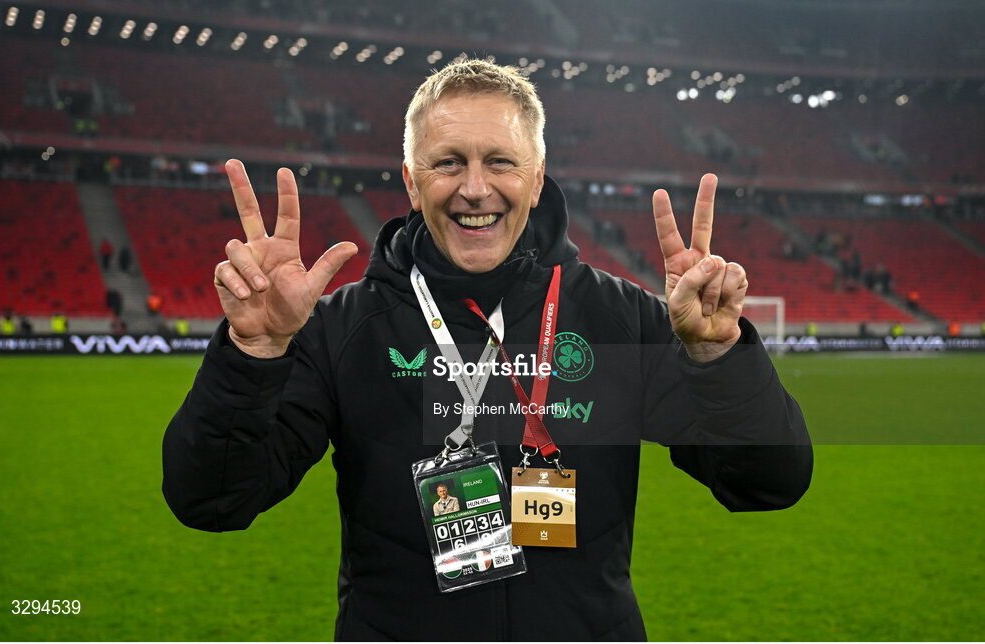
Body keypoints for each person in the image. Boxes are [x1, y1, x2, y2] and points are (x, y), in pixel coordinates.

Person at [163, 60, 812, 641]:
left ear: (535, 182)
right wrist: (253, 351)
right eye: (449, 163)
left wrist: (719, 355)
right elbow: (214, 500)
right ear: (413, 185)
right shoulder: (348, 328)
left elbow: (768, 484)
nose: (475, 188)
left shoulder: (616, 320)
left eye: (500, 162)